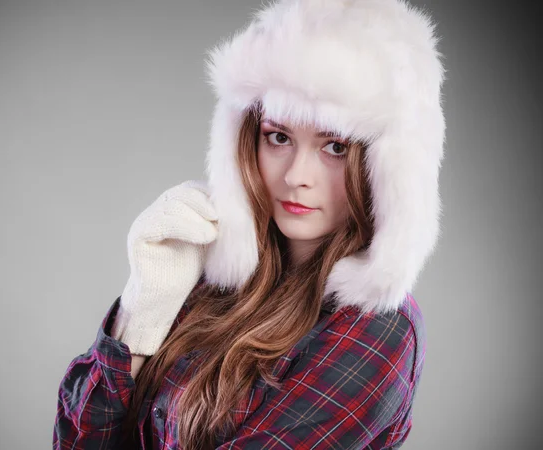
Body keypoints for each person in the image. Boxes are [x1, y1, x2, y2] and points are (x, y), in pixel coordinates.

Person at [53, 0, 445, 448]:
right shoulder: (207, 282)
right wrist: (141, 312)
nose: (297, 176)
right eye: (278, 138)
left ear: (387, 168)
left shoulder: (380, 327)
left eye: (334, 146)